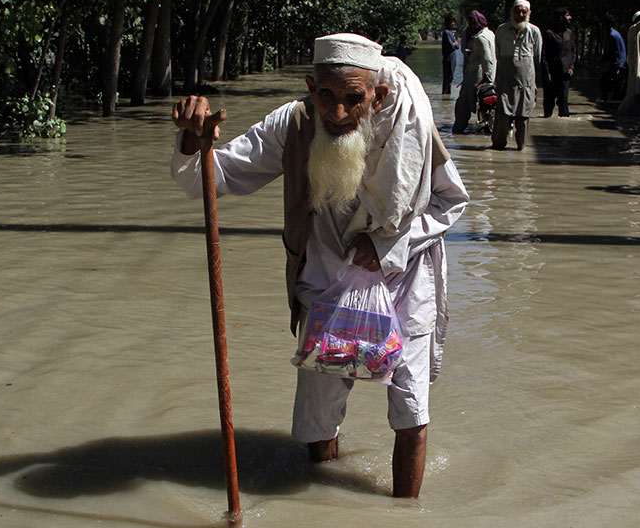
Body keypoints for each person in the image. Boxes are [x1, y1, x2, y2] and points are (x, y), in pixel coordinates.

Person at [170, 33, 470, 497]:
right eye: (326, 95)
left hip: (404, 282)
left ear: (378, 96)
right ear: (311, 88)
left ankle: (405, 515)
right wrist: (194, 142)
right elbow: (209, 179)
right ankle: (320, 498)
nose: (339, 112)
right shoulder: (293, 125)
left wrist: (387, 244)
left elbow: (451, 201)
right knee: (317, 419)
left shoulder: (411, 125)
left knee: (410, 413)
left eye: (354, 99)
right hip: (324, 286)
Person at [493, 0, 542, 150]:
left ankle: (521, 148)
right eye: (517, 11)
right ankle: (498, 147)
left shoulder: (534, 31)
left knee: (523, 116)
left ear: (528, 13)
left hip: (526, 82)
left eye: (523, 12)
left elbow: (537, 57)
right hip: (505, 80)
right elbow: (497, 54)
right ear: (512, 12)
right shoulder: (501, 30)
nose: (520, 15)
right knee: (502, 115)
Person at [453, 10, 496, 134]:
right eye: (470, 22)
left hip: (477, 75)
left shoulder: (480, 38)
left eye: (473, 22)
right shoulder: (490, 34)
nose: (471, 25)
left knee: (463, 104)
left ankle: (457, 131)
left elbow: (487, 59)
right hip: (484, 74)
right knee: (483, 105)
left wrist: (487, 79)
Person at [540, 7, 575, 117]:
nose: (570, 18)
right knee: (548, 104)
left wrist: (571, 67)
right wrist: (547, 72)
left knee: (563, 102)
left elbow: (573, 52)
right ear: (560, 18)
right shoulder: (549, 34)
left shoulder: (569, 33)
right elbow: (544, 55)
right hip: (551, 75)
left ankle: (564, 122)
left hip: (565, 74)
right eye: (567, 15)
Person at [597, 12, 627, 103]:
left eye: (604, 24)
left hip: (617, 63)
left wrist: (619, 65)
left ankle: (606, 99)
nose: (603, 26)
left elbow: (616, 52)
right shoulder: (612, 34)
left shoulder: (613, 36)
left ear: (609, 24)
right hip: (616, 62)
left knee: (605, 80)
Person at [441, 15, 460, 95]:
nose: (453, 24)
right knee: (448, 76)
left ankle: (447, 95)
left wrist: (455, 43)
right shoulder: (446, 32)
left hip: (452, 56)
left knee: (450, 76)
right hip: (448, 57)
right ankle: (445, 93)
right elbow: (452, 46)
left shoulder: (451, 33)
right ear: (447, 23)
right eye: (451, 22)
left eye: (453, 22)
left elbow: (457, 46)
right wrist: (455, 43)